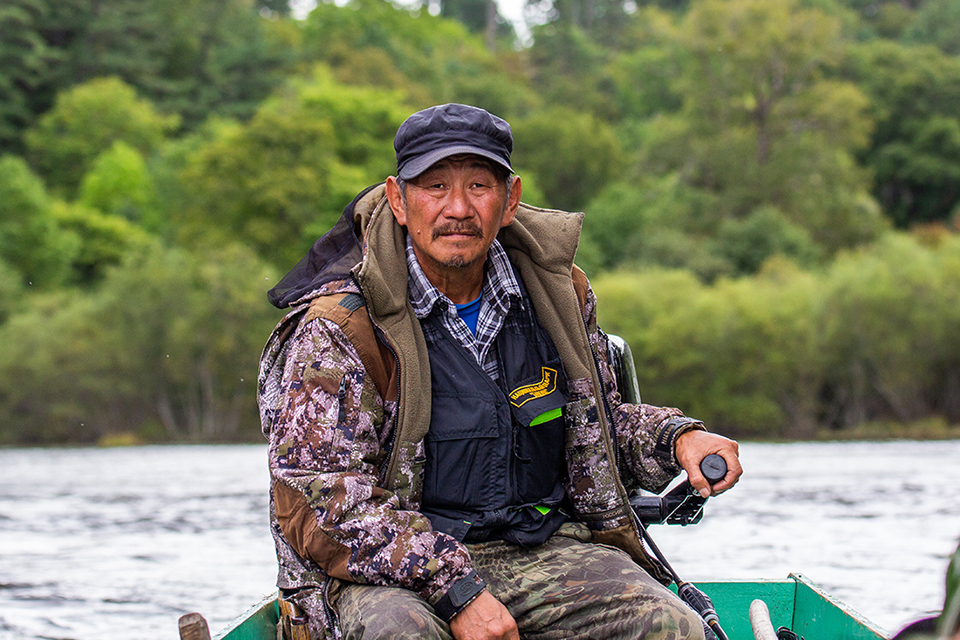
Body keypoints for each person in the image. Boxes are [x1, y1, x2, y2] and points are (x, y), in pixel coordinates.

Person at [258, 103, 743, 640]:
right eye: (434, 186)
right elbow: (320, 492)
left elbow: (600, 428)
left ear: (509, 199)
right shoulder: (342, 326)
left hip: (539, 549)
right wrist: (457, 590)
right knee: (401, 634)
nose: (458, 208)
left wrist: (679, 439)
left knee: (670, 624)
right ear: (398, 200)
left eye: (479, 186)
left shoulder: (560, 296)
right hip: (391, 573)